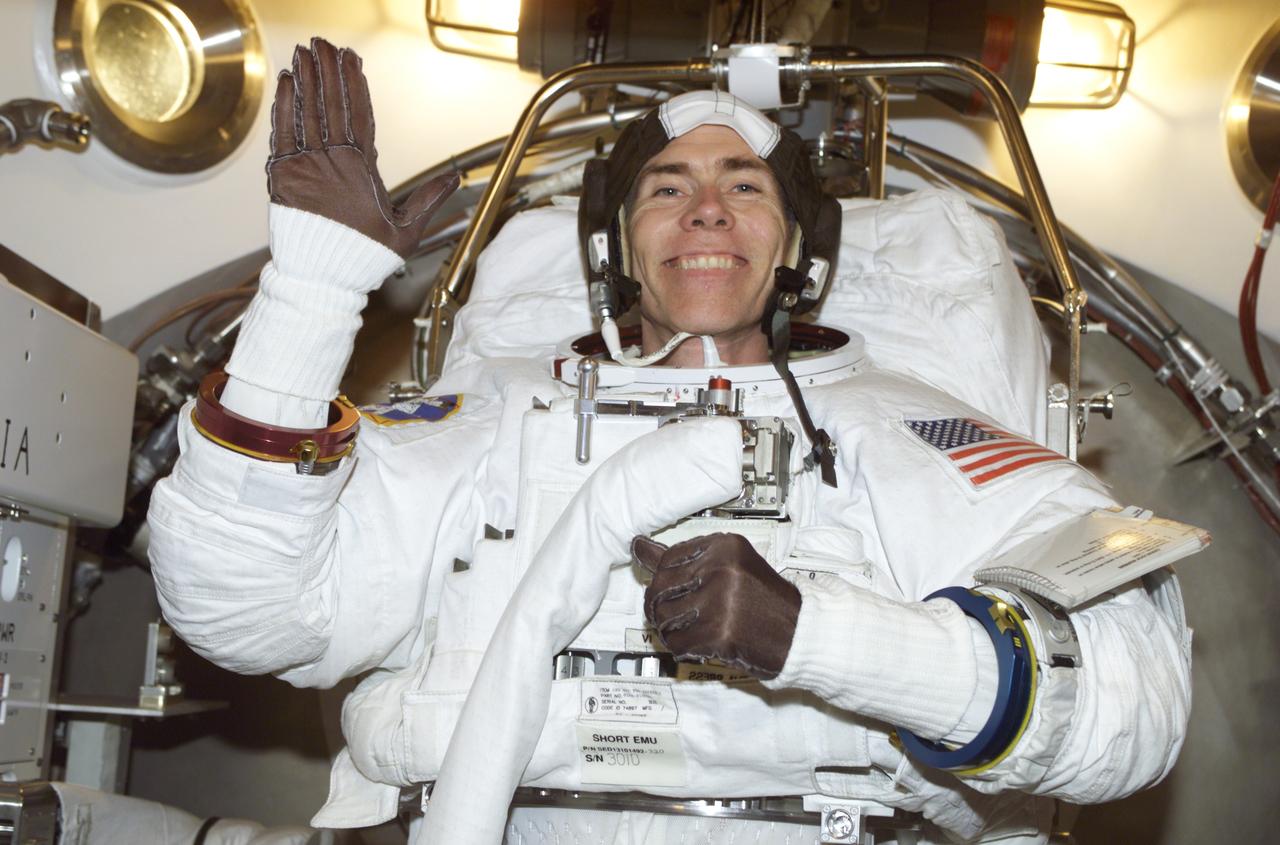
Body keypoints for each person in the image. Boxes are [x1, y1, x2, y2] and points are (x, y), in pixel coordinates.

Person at [147, 38, 1195, 845]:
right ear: (614, 247)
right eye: (665, 187)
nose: (704, 209)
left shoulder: (914, 426)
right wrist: (313, 287)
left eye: (744, 186)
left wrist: (813, 637)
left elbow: (1129, 694)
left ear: (795, 252)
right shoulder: (488, 415)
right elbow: (245, 611)